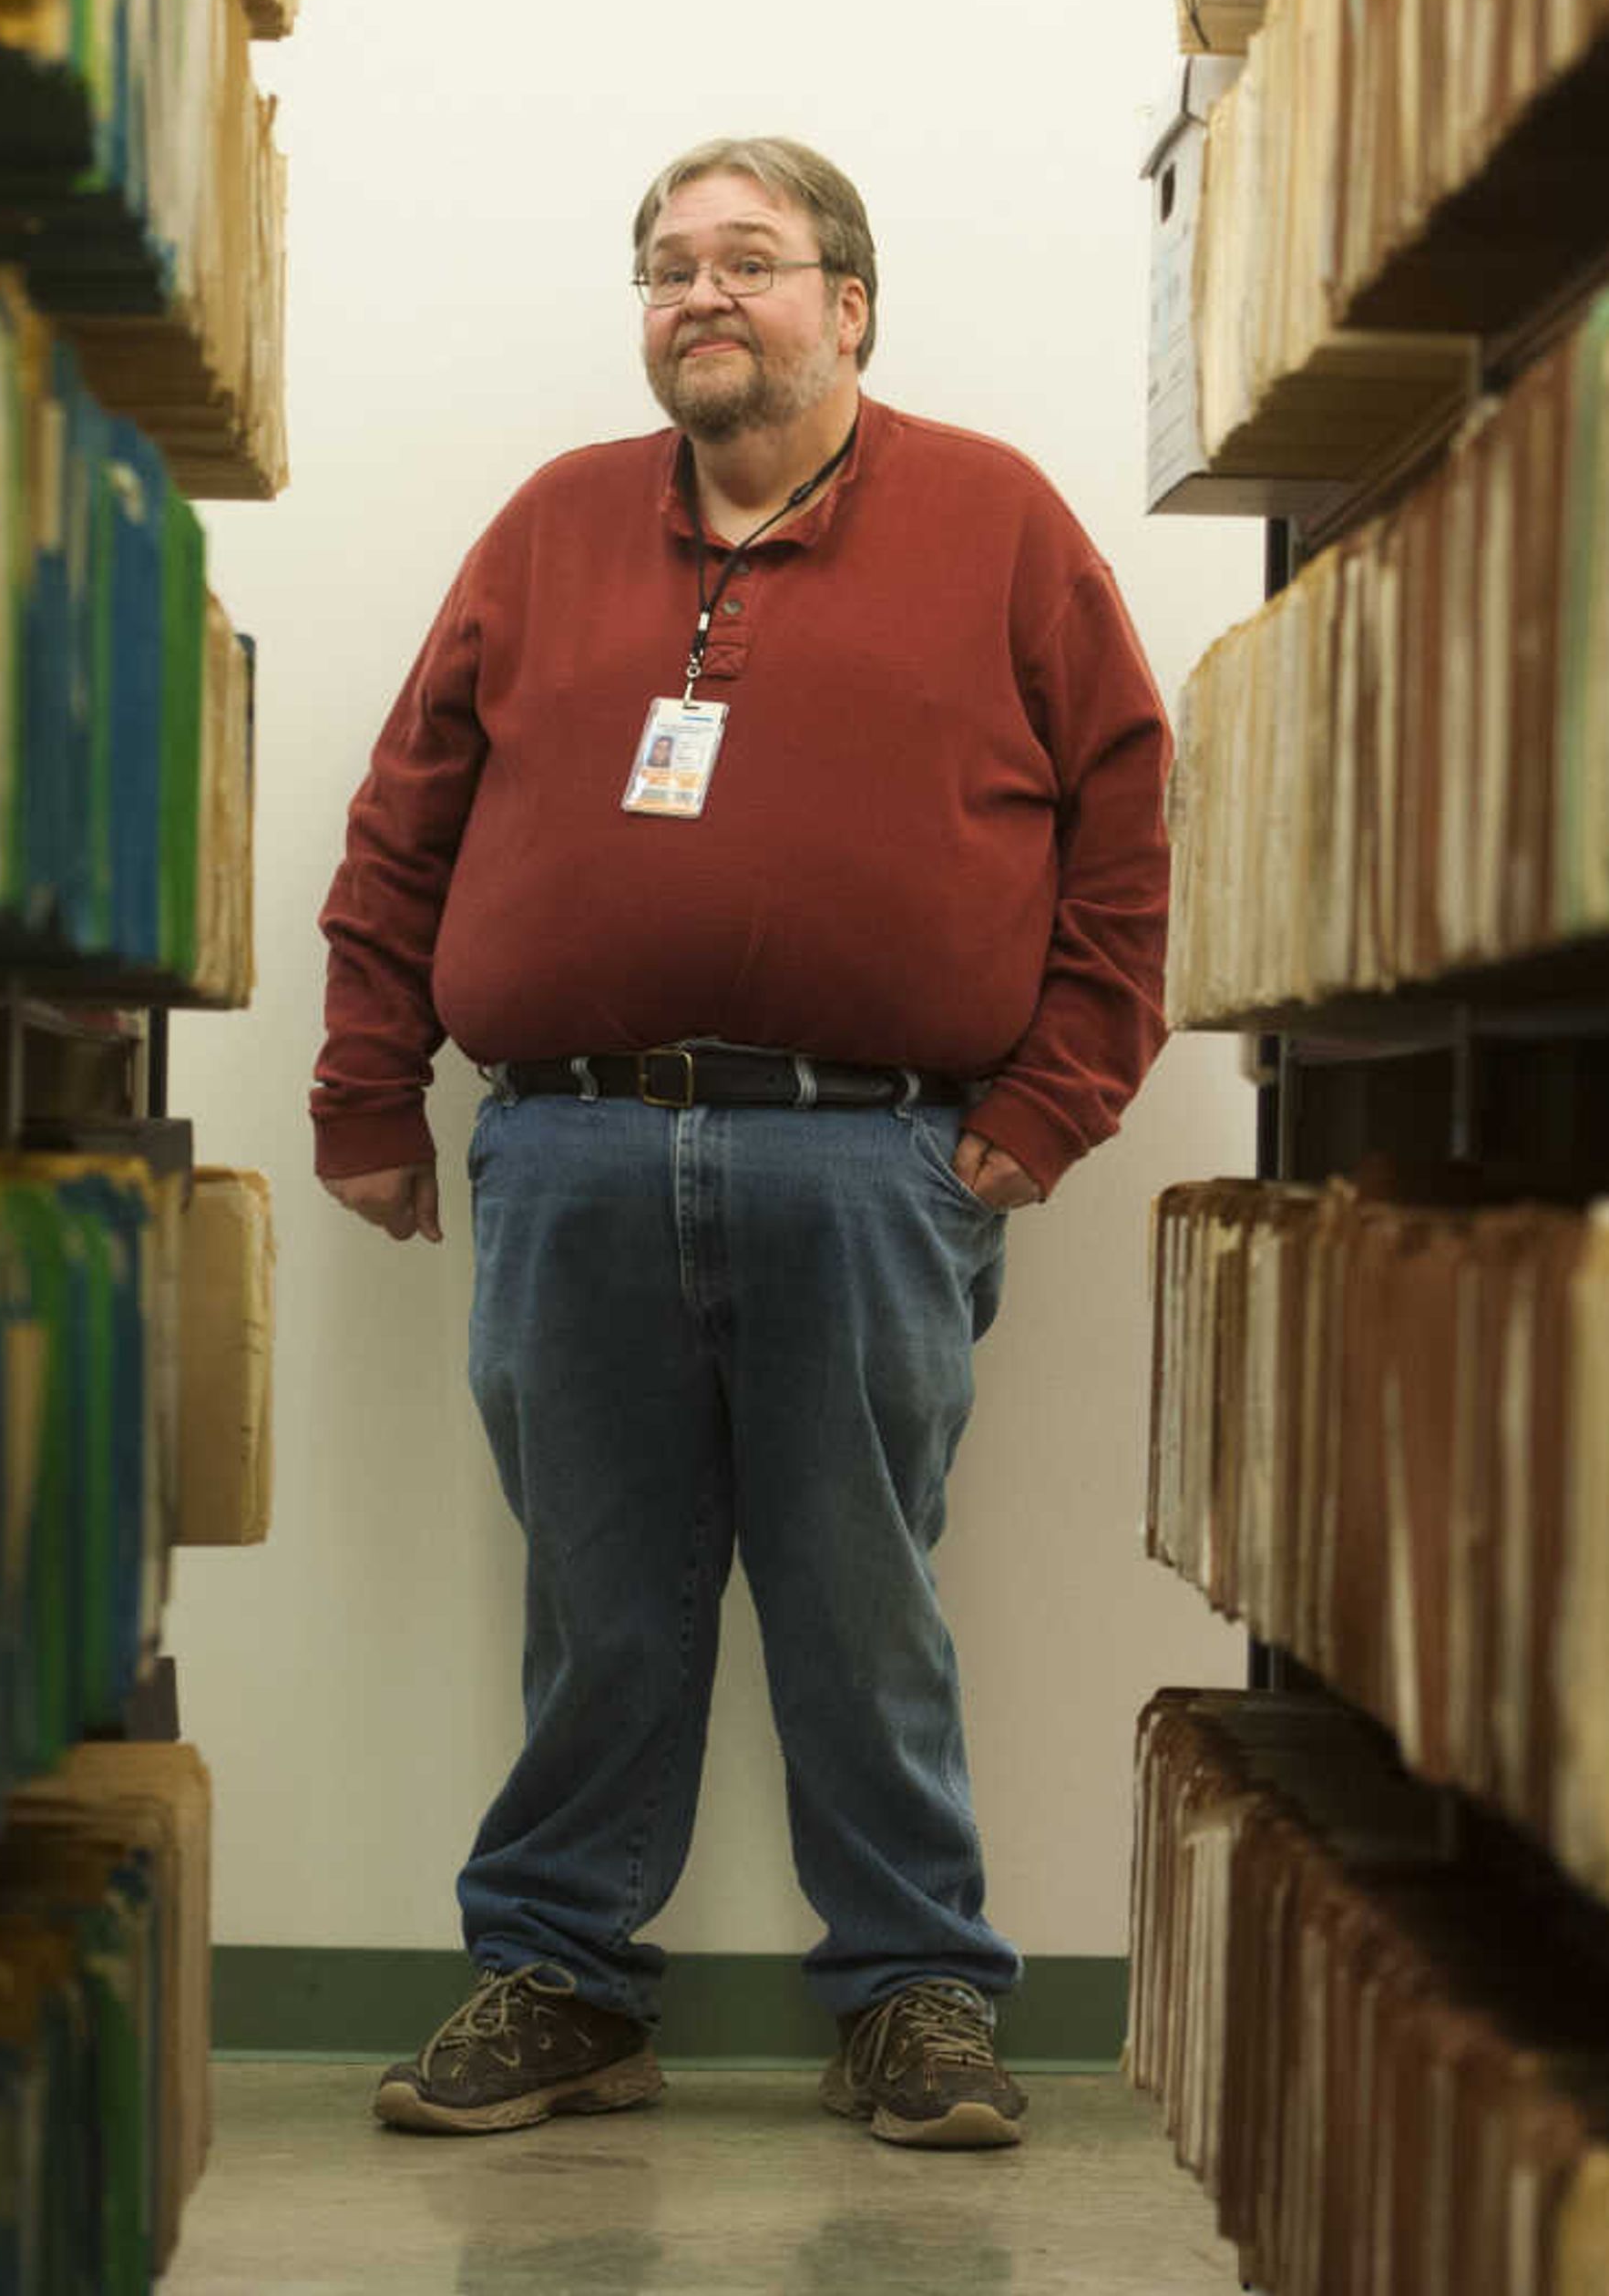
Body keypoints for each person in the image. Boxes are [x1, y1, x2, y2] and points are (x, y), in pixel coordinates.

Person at [312, 134, 1172, 2151]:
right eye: (667, 266)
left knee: (860, 1601)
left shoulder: (1001, 522)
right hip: (573, 1150)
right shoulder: (549, 530)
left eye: (750, 262)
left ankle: (917, 1998)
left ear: (848, 306)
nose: (701, 295)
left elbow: (1126, 827)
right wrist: (368, 1086)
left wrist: (1050, 1110)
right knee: (598, 1598)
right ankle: (565, 1980)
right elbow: (404, 817)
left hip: (875, 1163)